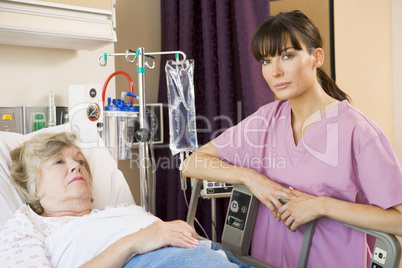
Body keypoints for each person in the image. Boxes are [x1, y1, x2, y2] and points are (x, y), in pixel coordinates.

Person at [183, 10, 402, 268]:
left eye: (287, 56)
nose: (275, 71)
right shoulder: (265, 120)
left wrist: (321, 206)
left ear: (316, 58)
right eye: (266, 61)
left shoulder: (359, 131)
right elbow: (193, 163)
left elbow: (398, 219)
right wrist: (250, 178)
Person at [0, 132, 247, 268]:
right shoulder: (27, 225)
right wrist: (135, 242)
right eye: (58, 162)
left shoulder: (121, 209)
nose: (76, 167)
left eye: (80, 161)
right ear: (33, 184)